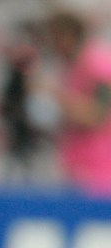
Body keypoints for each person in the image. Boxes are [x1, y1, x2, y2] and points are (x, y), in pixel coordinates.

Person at [41, 8, 111, 196]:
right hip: (76, 167)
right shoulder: (70, 66)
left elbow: (97, 115)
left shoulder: (97, 64)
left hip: (99, 172)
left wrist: (54, 95)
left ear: (68, 36)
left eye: (55, 38)